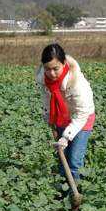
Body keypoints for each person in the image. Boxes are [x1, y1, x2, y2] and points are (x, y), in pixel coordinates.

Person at [35, 43, 95, 182]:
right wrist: (48, 115)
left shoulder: (77, 83)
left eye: (55, 68)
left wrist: (66, 137)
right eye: (47, 69)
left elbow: (82, 114)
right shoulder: (44, 79)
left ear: (64, 63)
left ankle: (75, 195)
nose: (51, 73)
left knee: (73, 160)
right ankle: (63, 192)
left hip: (82, 118)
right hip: (61, 116)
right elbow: (46, 97)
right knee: (63, 158)